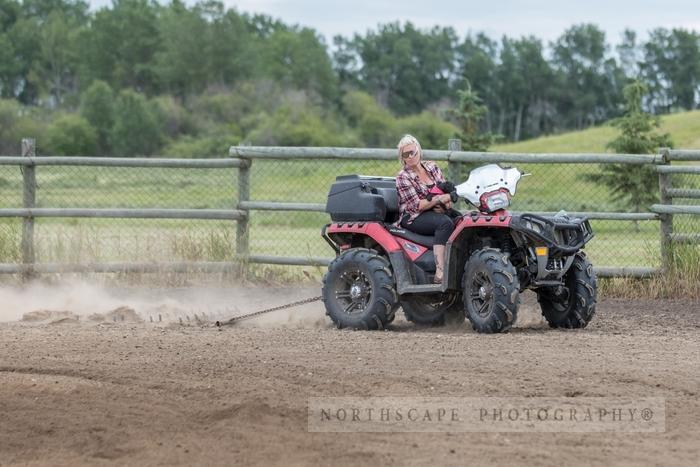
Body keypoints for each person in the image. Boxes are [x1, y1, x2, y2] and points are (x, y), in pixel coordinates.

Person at [395, 134, 455, 283]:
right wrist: (439, 200)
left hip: (433, 209)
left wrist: (445, 205)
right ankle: (440, 271)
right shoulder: (403, 177)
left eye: (413, 151)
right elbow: (417, 205)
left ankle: (457, 263)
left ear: (419, 150)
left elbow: (446, 192)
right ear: (402, 158)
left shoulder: (432, 167)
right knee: (445, 223)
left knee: (460, 220)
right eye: (406, 154)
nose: (411, 156)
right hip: (412, 216)